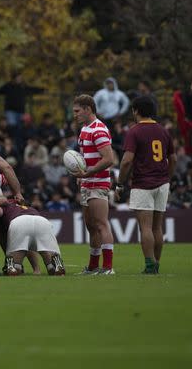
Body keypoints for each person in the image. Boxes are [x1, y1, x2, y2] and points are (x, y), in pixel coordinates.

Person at [117, 96, 175, 274]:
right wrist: (168, 178)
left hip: (143, 184)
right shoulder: (164, 131)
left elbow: (127, 161)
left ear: (136, 111)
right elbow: (172, 158)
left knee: (146, 227)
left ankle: (150, 265)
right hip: (162, 183)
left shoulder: (134, 131)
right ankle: (156, 263)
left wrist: (120, 183)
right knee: (158, 227)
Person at [72, 94, 117, 275]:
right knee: (91, 225)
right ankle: (93, 266)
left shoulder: (99, 129)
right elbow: (85, 159)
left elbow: (109, 159)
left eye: (77, 111)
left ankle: (108, 267)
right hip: (87, 182)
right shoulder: (84, 129)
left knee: (101, 224)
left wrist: (88, 173)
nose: (74, 115)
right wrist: (81, 175)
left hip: (98, 182)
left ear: (88, 109)